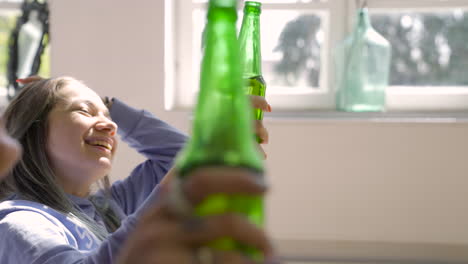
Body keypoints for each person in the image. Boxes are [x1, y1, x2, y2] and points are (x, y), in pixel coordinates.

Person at [0, 76, 277, 263]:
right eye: (84, 111)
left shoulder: (108, 208)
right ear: (32, 129)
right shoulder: (20, 222)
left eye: (108, 118)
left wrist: (106, 105)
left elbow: (178, 154)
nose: (111, 126)